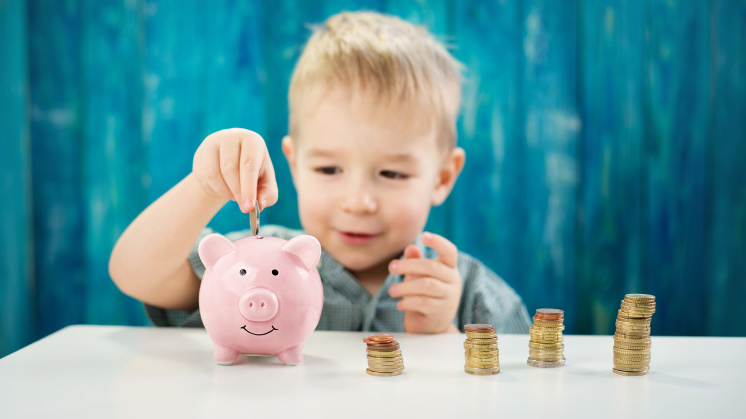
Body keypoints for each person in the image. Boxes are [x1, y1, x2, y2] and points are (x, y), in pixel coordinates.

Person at [109, 11, 531, 334]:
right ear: (294, 164)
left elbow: (525, 402)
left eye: (392, 174)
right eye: (330, 168)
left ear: (441, 177)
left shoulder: (473, 295)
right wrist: (204, 185)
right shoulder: (255, 262)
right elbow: (134, 274)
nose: (357, 202)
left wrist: (445, 336)